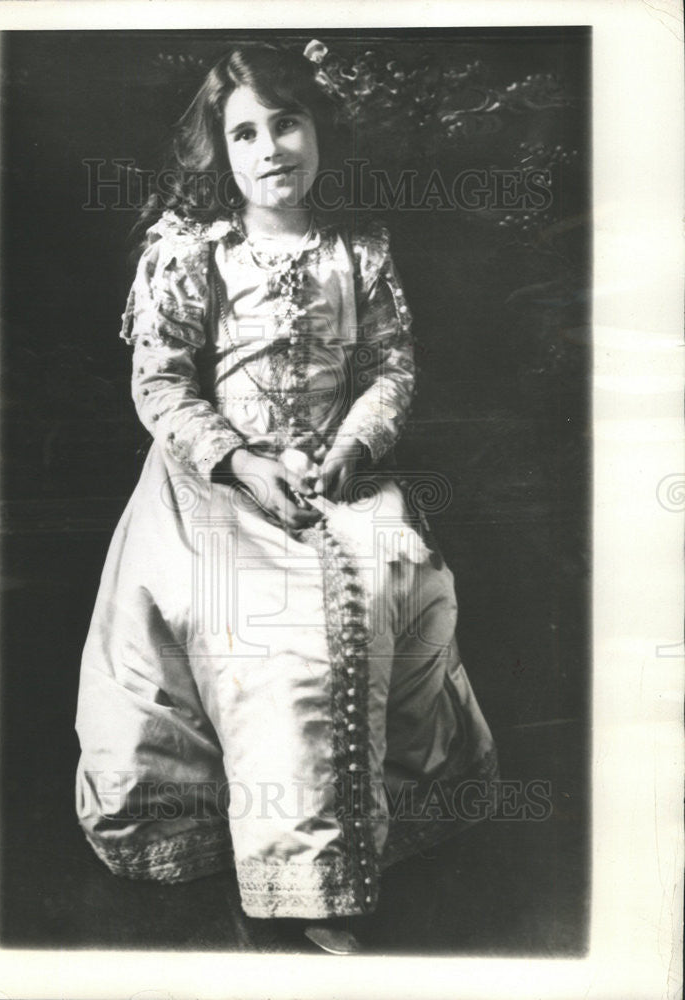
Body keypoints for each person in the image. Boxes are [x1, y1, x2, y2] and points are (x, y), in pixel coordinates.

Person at [75, 41, 498, 953]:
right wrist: (238, 460)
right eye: (246, 132)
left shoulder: (359, 246)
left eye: (287, 121)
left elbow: (390, 365)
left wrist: (354, 441)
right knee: (273, 637)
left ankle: (357, 845)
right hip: (218, 485)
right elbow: (162, 386)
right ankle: (300, 878)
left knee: (392, 585)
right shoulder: (194, 249)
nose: (272, 147)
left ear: (319, 130)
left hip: (340, 474)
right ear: (220, 154)